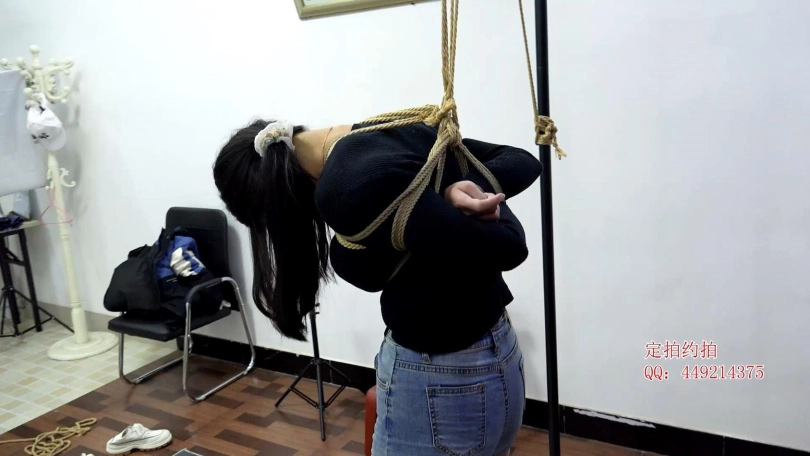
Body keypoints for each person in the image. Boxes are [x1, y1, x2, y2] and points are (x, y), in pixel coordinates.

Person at [214, 119, 542, 456]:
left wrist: (455, 196)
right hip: (500, 352)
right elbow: (520, 160)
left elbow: (509, 246)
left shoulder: (342, 189)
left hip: (442, 379)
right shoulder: (376, 131)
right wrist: (454, 192)